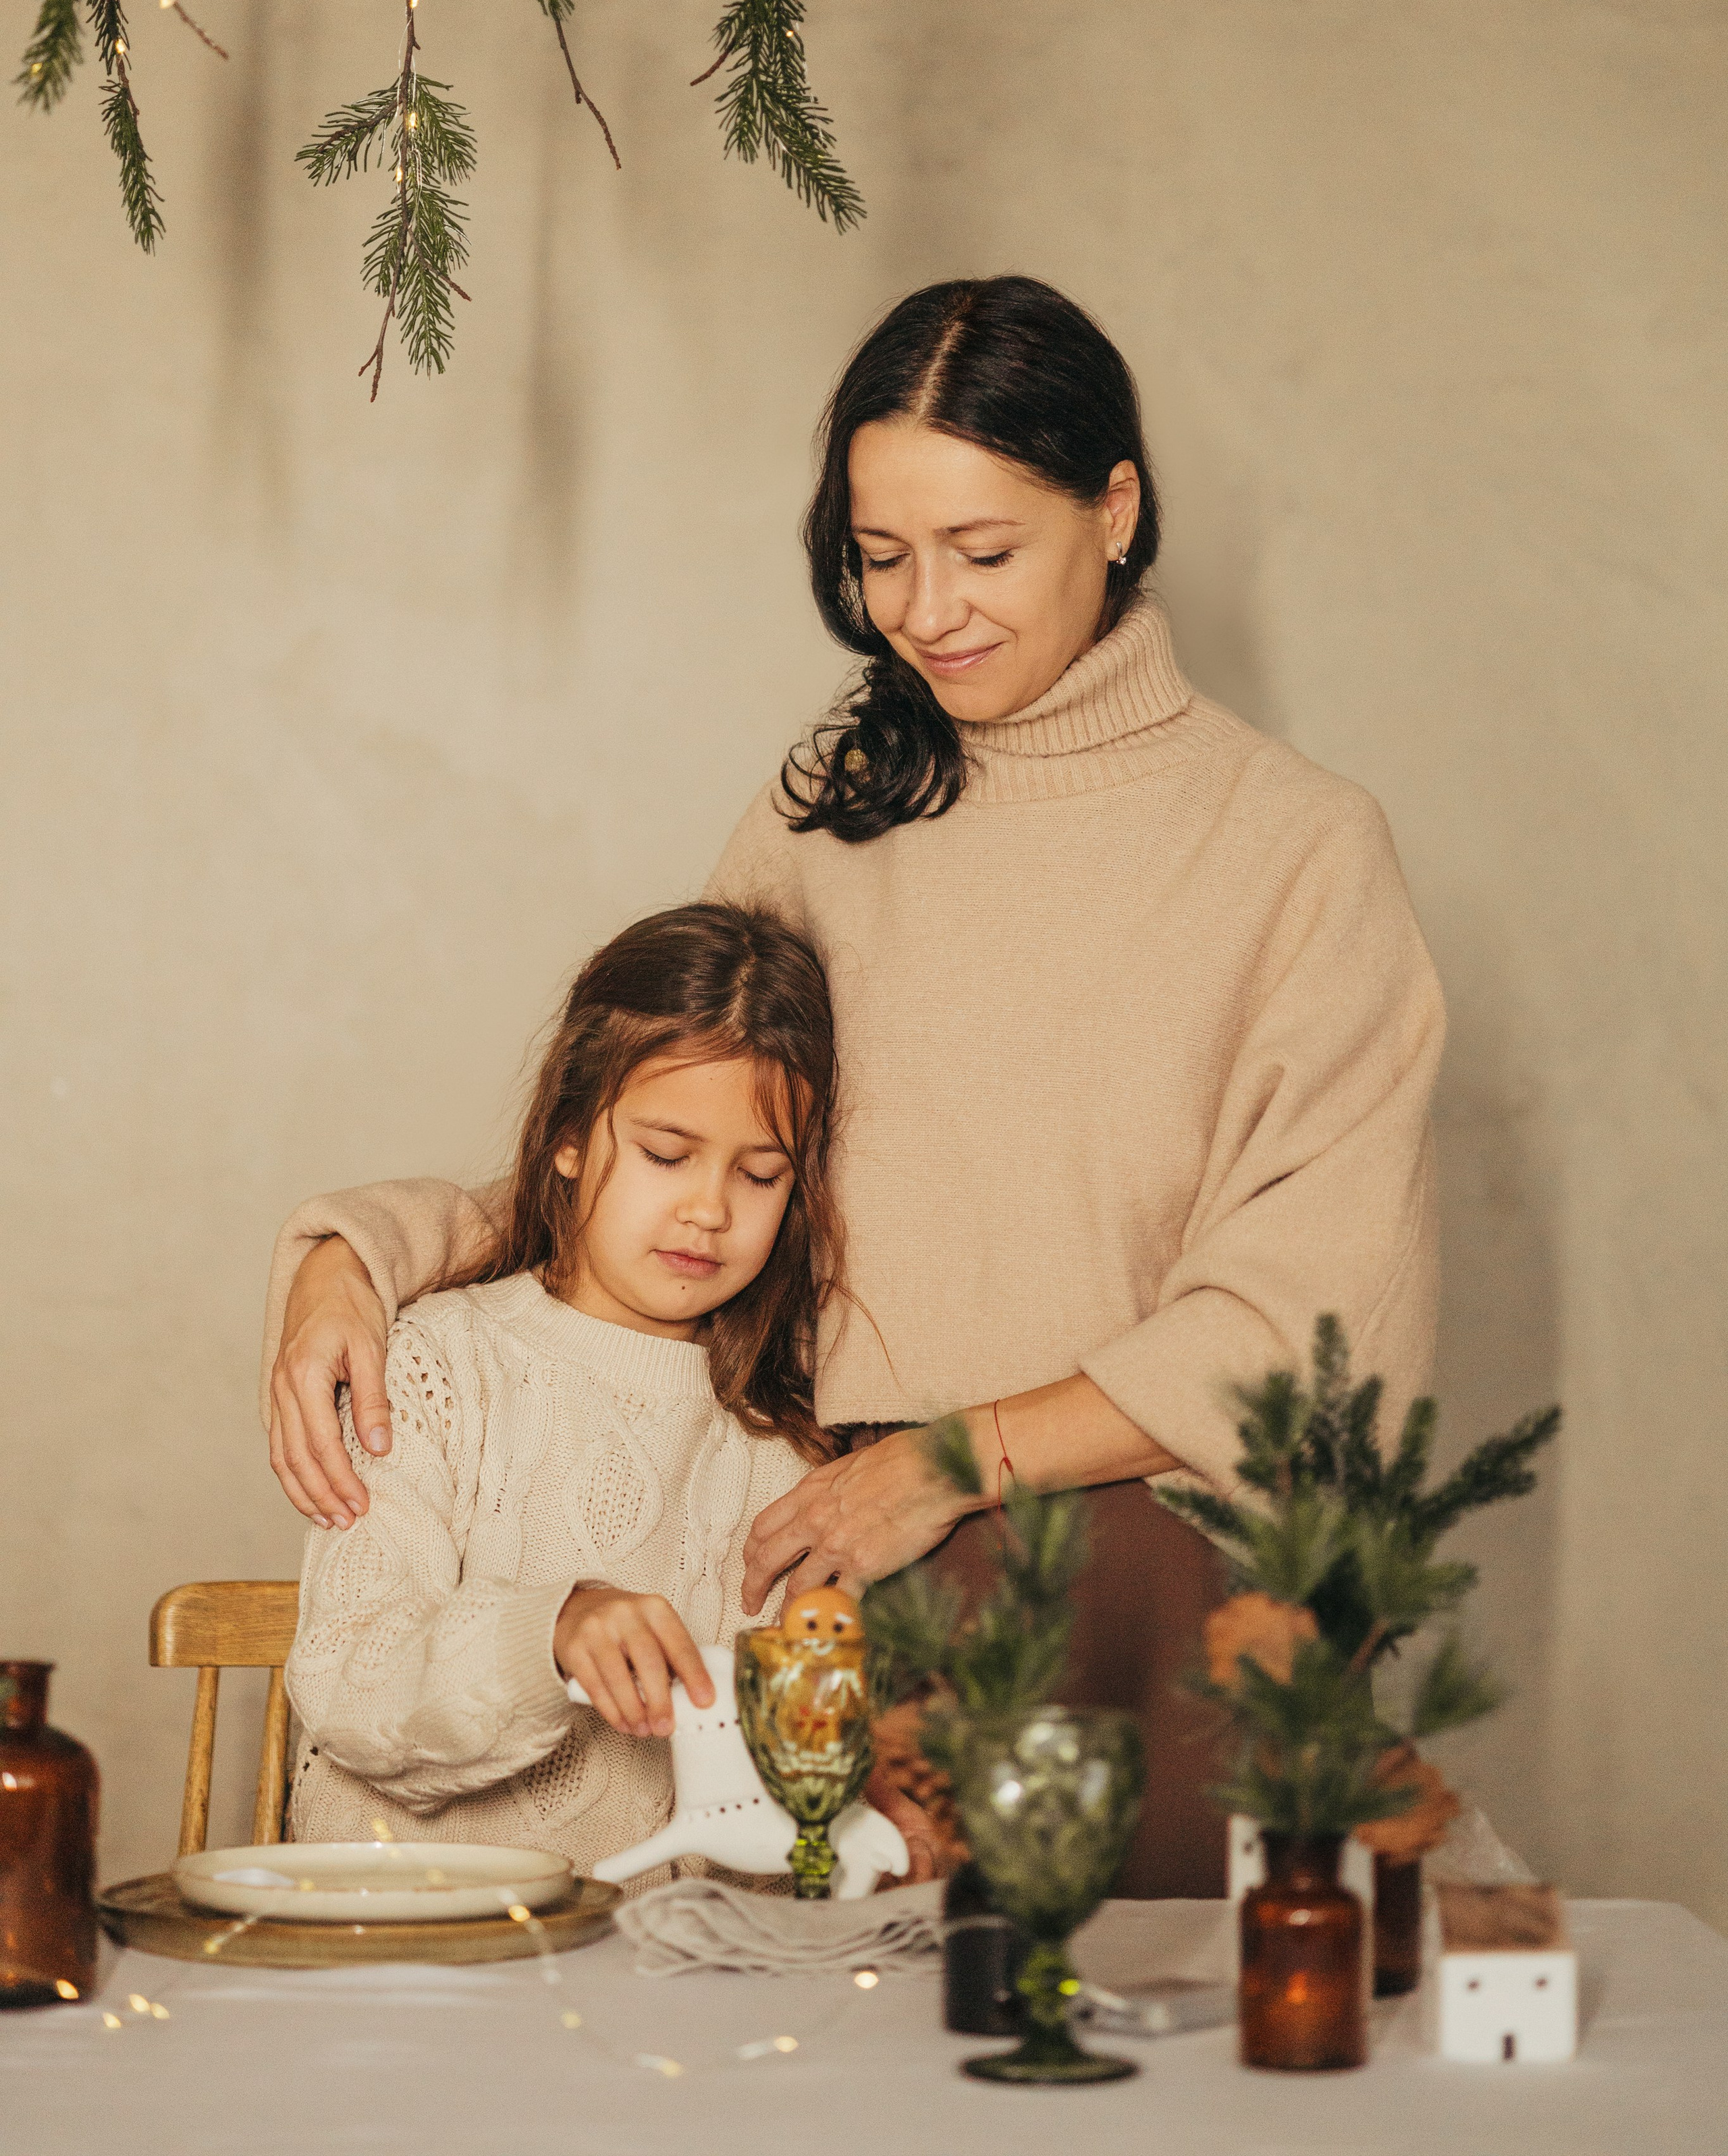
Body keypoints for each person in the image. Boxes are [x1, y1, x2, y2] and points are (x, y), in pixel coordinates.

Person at [267, 275, 1445, 1895]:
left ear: (1115, 509)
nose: (928, 611)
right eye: (880, 558)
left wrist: (957, 1463)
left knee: (1143, 2090)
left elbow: (1306, 1319)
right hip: (806, 1567)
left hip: (1136, 1570)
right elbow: (660, 1140)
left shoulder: (1295, 850)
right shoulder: (832, 810)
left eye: (983, 551)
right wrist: (368, 1250)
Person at [284, 901, 929, 1879]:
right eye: (667, 1154)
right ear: (570, 1135)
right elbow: (348, 1681)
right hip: (401, 1939)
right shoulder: (433, 1365)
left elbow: (761, 1800)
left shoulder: (785, 1444)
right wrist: (550, 1627)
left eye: (759, 1175)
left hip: (649, 1972)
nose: (708, 1209)